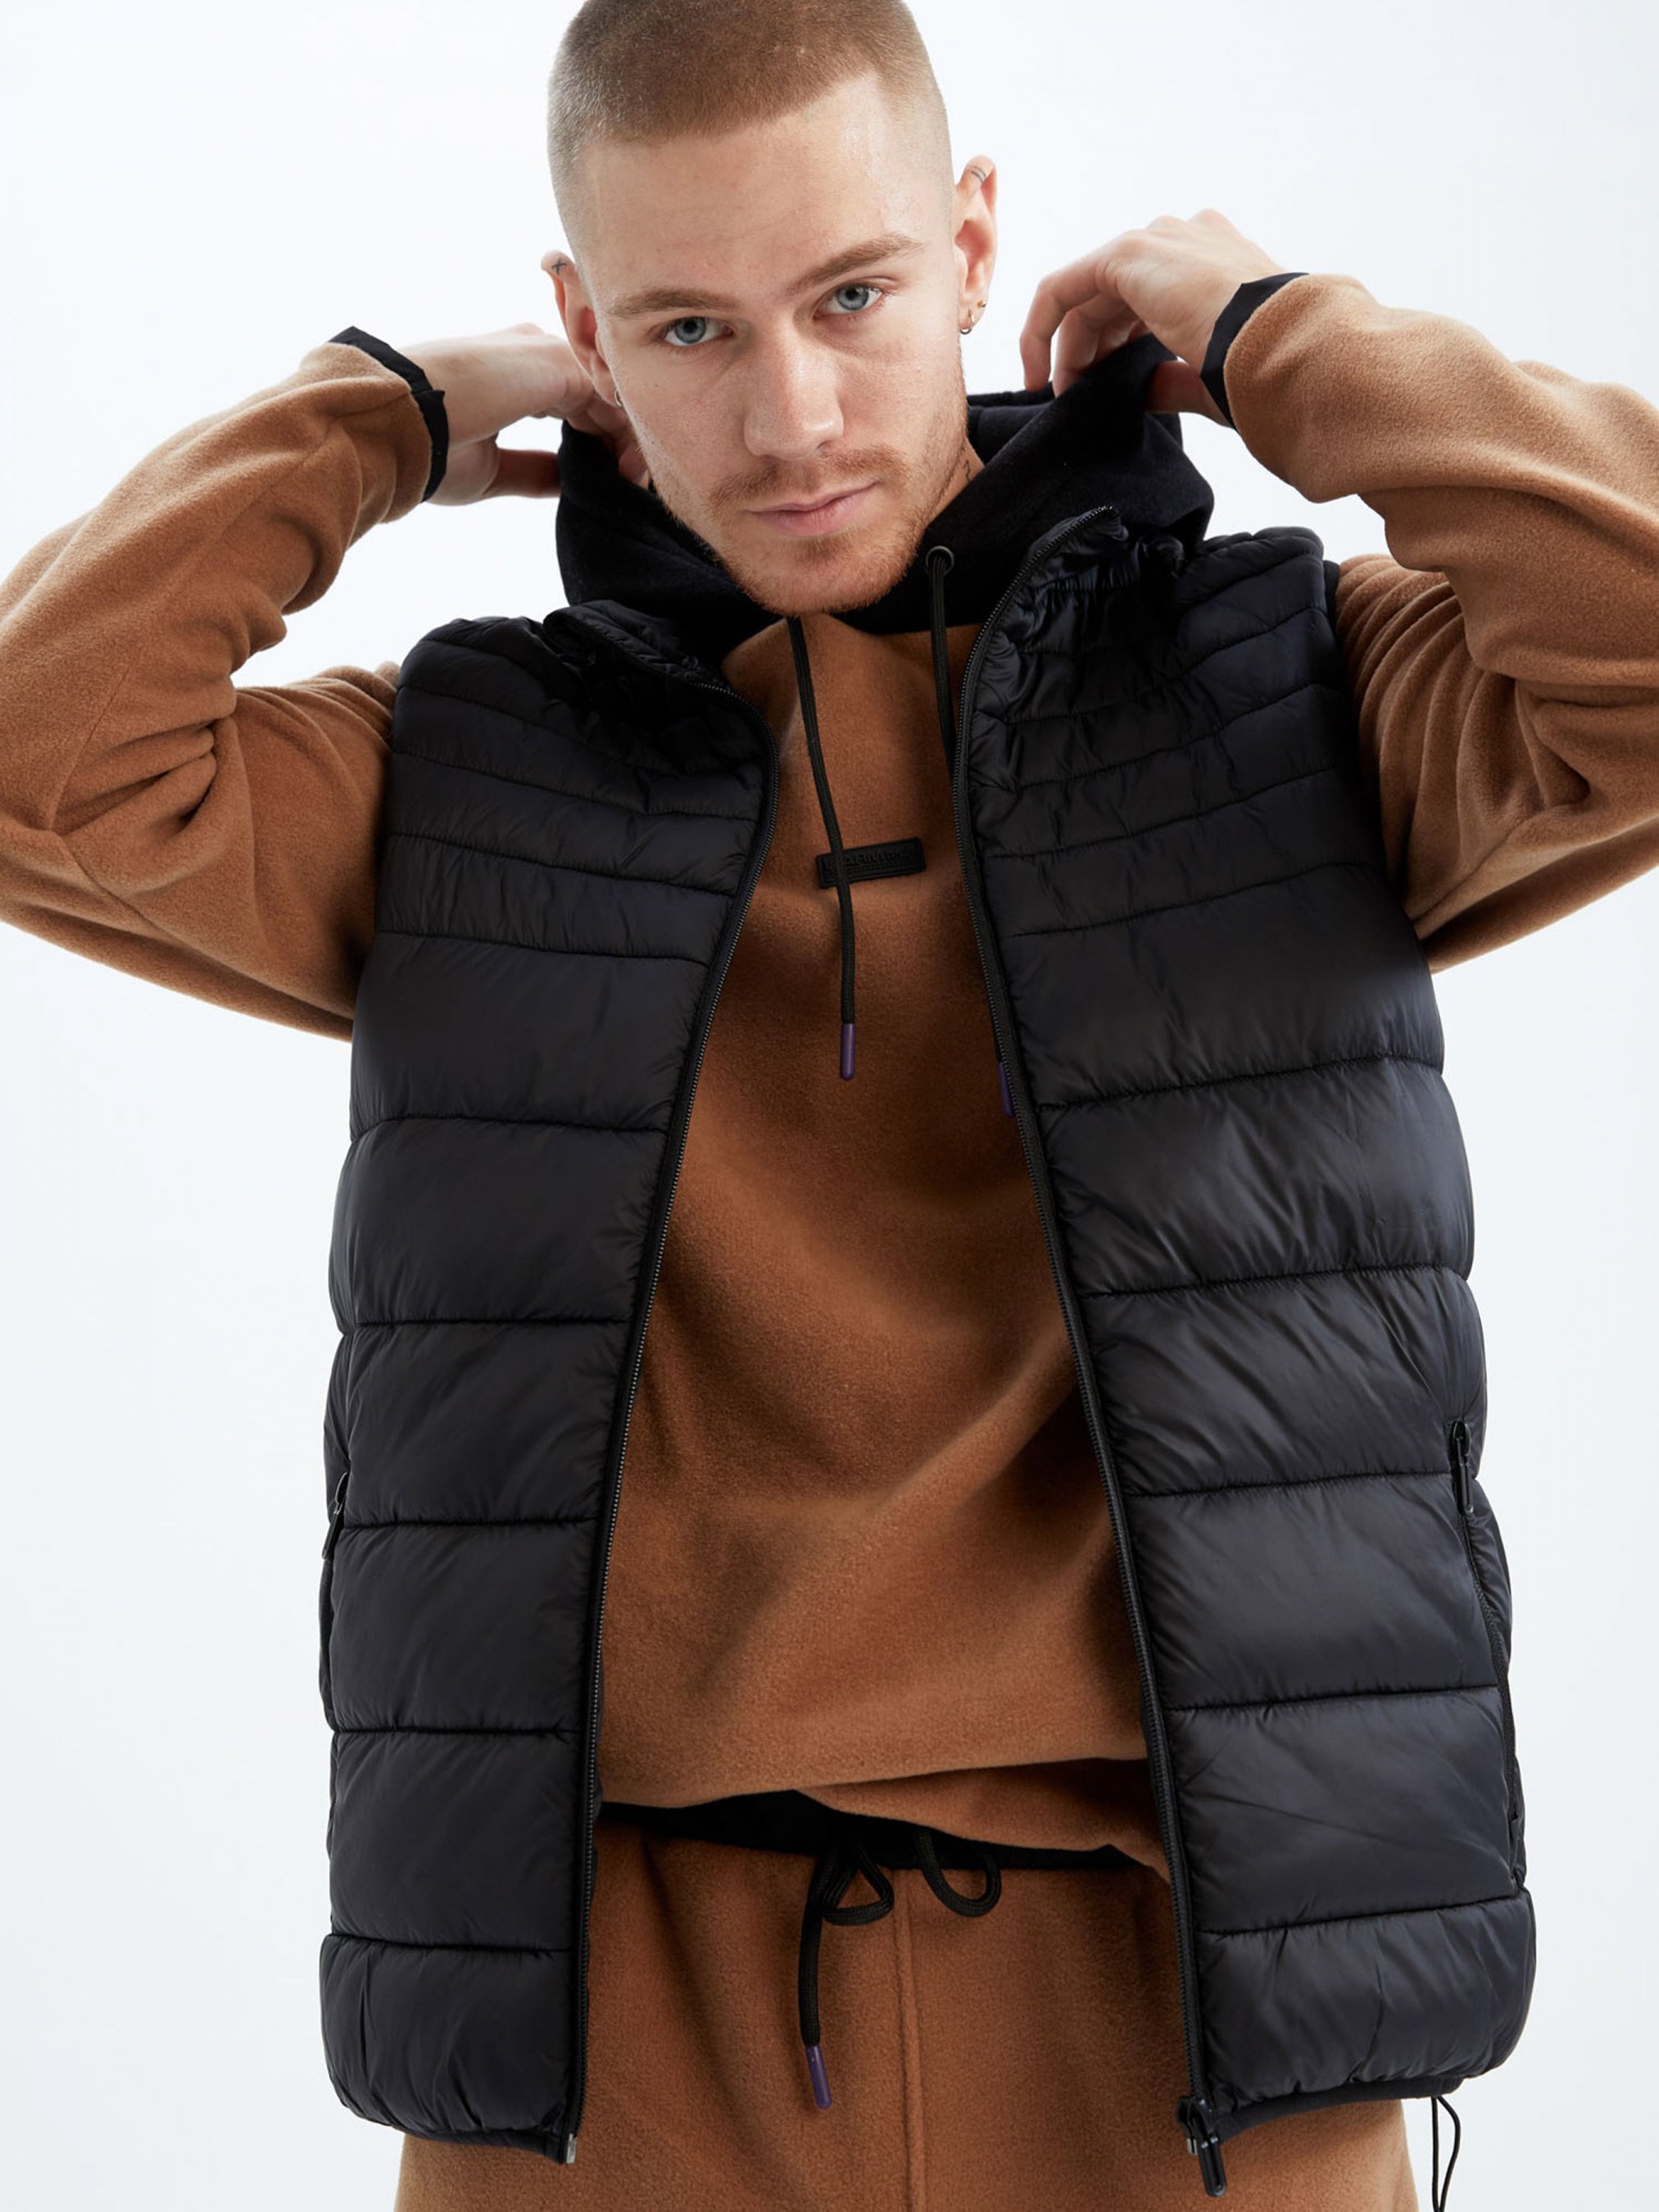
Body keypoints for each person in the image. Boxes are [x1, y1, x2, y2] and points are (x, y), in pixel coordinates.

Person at [5, 2, 1659, 2207]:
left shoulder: (1288, 707)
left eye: (852, 297)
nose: (787, 418)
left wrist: (1286, 335)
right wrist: (376, 415)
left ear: (973, 249)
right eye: (688, 328)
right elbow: (37, 759)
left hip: (1193, 2034)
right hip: (614, 2047)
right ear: (585, 331)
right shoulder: (475, 786)